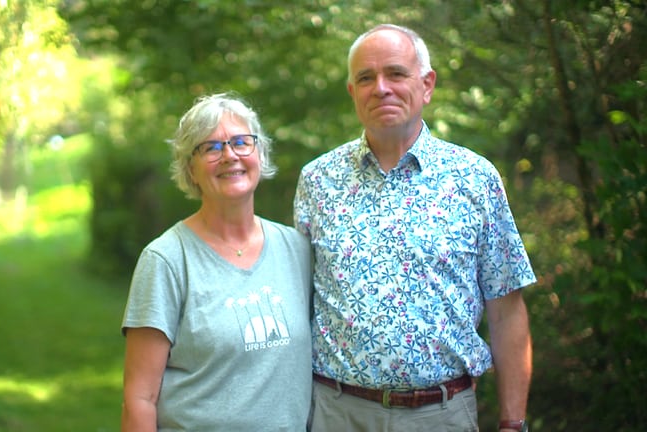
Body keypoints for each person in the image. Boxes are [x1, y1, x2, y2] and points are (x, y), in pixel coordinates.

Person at [294, 24, 536, 432]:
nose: (381, 88)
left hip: (442, 415)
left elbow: (507, 310)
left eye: (396, 73)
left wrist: (514, 423)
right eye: (366, 78)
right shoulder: (318, 181)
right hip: (337, 413)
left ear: (426, 85)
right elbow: (297, 304)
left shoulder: (474, 178)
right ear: (353, 92)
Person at [120, 92, 313, 432]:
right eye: (210, 148)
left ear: (259, 153)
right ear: (190, 169)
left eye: (241, 142)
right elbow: (140, 398)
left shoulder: (296, 249)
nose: (229, 156)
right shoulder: (166, 260)